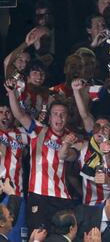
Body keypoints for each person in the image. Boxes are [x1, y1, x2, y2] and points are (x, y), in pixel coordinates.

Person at [5, 80, 74, 233]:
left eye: (63, 115)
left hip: (61, 196)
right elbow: (19, 114)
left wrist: (67, 144)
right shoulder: (38, 130)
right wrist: (11, 92)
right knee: (37, 236)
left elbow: (66, 156)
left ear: (67, 118)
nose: (59, 118)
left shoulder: (72, 138)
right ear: (49, 118)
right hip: (38, 195)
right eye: (55, 114)